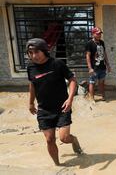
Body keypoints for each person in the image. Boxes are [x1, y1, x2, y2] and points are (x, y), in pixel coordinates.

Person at [26, 38, 82, 166]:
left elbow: (72, 80)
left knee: (64, 138)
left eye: (37, 52)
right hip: (44, 109)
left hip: (62, 107)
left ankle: (73, 140)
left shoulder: (57, 64)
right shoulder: (30, 67)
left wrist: (70, 98)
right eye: (30, 53)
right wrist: (30, 103)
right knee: (50, 139)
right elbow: (32, 84)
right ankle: (58, 166)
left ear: (44, 51)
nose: (34, 56)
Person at [85, 27, 111, 102]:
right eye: (98, 33)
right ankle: (92, 98)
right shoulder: (89, 43)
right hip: (94, 68)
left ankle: (103, 95)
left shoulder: (102, 42)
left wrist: (108, 65)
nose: (99, 35)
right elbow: (88, 56)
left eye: (100, 33)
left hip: (102, 67)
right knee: (92, 82)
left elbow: (104, 54)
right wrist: (90, 68)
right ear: (93, 34)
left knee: (102, 82)